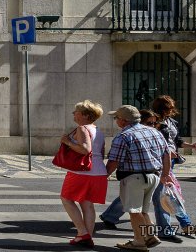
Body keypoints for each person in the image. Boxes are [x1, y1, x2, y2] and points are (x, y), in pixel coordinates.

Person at [106, 104, 172, 251]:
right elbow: (166, 154)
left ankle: (139, 242)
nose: (116, 121)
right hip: (153, 176)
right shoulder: (155, 132)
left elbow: (114, 161)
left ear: (123, 120)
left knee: (134, 211)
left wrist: (104, 176)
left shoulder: (124, 136)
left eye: (116, 118)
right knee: (142, 211)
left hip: (133, 178)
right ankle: (149, 236)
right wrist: (165, 175)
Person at [149, 95, 196, 239]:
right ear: (161, 108)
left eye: (172, 108)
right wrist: (166, 152)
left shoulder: (171, 122)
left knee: (162, 193)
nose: (171, 110)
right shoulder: (154, 122)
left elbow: (176, 141)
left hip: (170, 161)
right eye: (168, 108)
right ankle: (185, 225)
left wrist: (191, 146)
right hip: (159, 160)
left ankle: (111, 214)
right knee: (168, 194)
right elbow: (154, 142)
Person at [59, 100, 107, 248]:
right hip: (99, 171)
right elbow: (102, 152)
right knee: (87, 204)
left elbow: (85, 150)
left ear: (85, 115)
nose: (74, 113)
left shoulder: (82, 128)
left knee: (66, 198)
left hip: (82, 172)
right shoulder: (98, 130)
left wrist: (67, 142)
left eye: (76, 111)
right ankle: (87, 237)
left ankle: (82, 232)